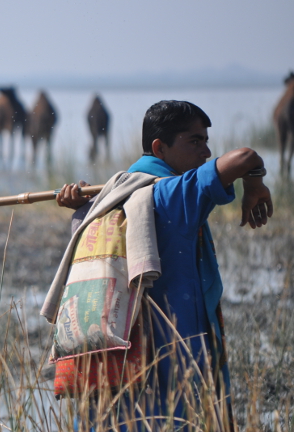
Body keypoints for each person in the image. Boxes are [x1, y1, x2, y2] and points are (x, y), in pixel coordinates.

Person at [54, 100, 273, 430]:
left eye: (206, 142)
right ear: (160, 147)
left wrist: (79, 205)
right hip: (172, 354)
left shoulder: (112, 198)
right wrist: (255, 182)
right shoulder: (170, 193)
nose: (205, 152)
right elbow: (245, 158)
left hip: (117, 358)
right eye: (195, 141)